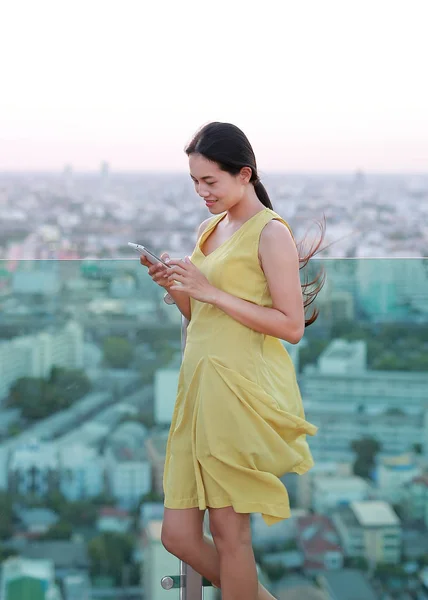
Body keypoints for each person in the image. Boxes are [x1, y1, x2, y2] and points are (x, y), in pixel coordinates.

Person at [140, 122, 325, 600]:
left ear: (244, 174)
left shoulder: (270, 233)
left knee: (230, 536)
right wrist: (177, 287)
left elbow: (291, 326)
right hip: (197, 391)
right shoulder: (210, 229)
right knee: (176, 535)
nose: (201, 193)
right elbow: (200, 315)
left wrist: (209, 290)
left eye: (210, 182)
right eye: (195, 182)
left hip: (236, 392)